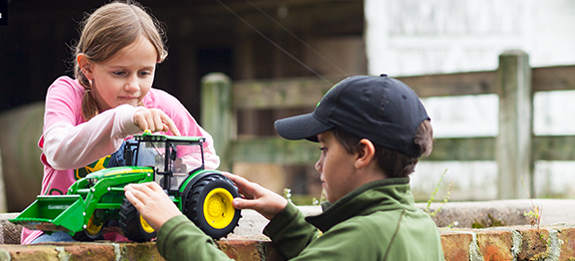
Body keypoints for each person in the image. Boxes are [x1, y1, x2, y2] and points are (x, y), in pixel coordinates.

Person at [124, 74, 445, 260]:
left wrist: (174, 226)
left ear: (362, 153)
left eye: (325, 148)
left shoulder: (367, 234)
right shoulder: (417, 226)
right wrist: (286, 218)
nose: (318, 164)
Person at [21, 0, 220, 244]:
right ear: (87, 67)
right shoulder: (67, 93)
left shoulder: (162, 105)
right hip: (61, 229)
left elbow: (206, 154)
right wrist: (123, 118)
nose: (133, 86)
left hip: (134, 237)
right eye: (119, 73)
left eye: (144, 73)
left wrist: (167, 177)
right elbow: (58, 151)